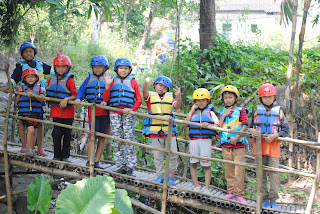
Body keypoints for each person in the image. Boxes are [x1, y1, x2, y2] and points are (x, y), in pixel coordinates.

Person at [1, 42, 62, 156]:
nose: (28, 53)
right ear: (22, 54)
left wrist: (58, 57)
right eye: (26, 52)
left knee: (39, 122)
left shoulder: (40, 64)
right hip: (25, 95)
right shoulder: (20, 66)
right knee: (22, 120)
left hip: (39, 96)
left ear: (34, 53)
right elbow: (14, 79)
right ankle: (24, 145)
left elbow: (55, 70)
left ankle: (40, 148)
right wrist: (7, 87)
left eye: (30, 51)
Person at [249, 84, 289, 210]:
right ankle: (264, 199)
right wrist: (251, 131)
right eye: (264, 97)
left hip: (274, 149)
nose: (267, 99)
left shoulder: (279, 112)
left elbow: (285, 130)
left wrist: (275, 135)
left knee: (274, 175)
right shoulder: (256, 112)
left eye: (269, 97)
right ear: (261, 98)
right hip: (260, 149)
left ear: (274, 97)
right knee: (261, 174)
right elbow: (250, 127)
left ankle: (273, 200)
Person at [101, 58, 142, 176]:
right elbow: (106, 99)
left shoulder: (133, 82)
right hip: (115, 113)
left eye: (125, 68)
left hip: (128, 114)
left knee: (129, 139)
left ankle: (130, 166)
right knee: (117, 139)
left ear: (129, 70)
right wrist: (108, 86)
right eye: (120, 68)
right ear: (116, 69)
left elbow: (139, 99)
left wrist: (132, 110)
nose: (123, 71)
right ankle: (119, 165)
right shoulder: (112, 81)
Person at [142, 76, 181, 186]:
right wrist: (146, 83)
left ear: (167, 89)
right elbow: (144, 92)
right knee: (158, 155)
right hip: (155, 132)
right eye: (159, 85)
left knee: (173, 154)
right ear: (155, 85)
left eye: (164, 87)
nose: (161, 88)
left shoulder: (170, 99)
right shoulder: (150, 97)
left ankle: (171, 176)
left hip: (169, 132)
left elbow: (177, 106)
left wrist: (179, 96)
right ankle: (160, 175)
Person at [75, 55, 110, 169]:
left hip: (105, 112)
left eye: (100, 67)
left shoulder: (108, 79)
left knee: (102, 137)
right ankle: (90, 160)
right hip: (93, 111)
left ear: (105, 68)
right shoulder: (89, 78)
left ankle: (97, 161)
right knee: (92, 136)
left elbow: (112, 93)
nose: (97, 69)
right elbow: (82, 90)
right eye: (95, 67)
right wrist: (79, 98)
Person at [185, 88, 219, 195]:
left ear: (207, 100)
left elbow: (217, 125)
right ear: (195, 101)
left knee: (206, 164)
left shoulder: (210, 113)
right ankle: (196, 186)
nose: (200, 102)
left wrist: (208, 125)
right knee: (193, 162)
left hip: (205, 140)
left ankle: (207, 188)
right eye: (198, 100)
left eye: (203, 100)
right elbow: (186, 124)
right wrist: (191, 110)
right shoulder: (193, 112)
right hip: (194, 140)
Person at [219, 85, 249, 203]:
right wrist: (224, 115)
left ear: (235, 98)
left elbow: (245, 126)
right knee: (229, 169)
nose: (228, 100)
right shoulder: (222, 111)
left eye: (230, 97)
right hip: (226, 145)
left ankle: (239, 194)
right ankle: (230, 192)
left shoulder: (241, 110)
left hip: (238, 144)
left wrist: (237, 137)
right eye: (225, 97)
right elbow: (219, 126)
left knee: (239, 169)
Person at [46, 55, 76, 162]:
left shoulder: (70, 81)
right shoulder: (51, 79)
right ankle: (57, 155)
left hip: (68, 113)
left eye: (63, 67)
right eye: (58, 67)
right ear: (55, 68)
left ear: (68, 68)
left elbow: (74, 95)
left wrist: (66, 99)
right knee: (57, 134)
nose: (60, 69)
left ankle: (66, 156)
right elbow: (48, 92)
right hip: (56, 112)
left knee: (67, 134)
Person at [16, 68, 45, 156]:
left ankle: (31, 149)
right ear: (24, 79)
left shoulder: (38, 87)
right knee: (31, 130)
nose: (31, 78)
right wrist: (20, 93)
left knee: (34, 131)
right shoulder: (22, 88)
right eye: (28, 77)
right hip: (26, 113)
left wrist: (33, 94)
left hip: (35, 114)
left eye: (33, 77)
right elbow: (17, 101)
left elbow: (41, 99)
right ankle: (29, 149)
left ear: (36, 78)